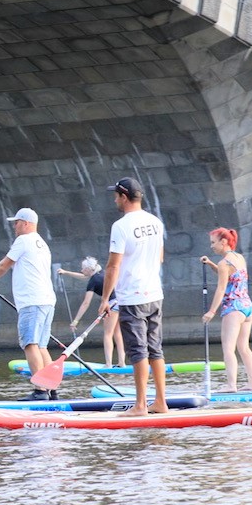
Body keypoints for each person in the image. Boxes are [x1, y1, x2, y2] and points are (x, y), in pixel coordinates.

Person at [98, 177, 168, 415]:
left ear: (124, 197)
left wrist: (105, 298)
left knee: (138, 351)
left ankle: (140, 405)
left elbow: (113, 266)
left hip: (132, 298)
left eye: (116, 196)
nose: (115, 200)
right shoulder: (155, 222)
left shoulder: (121, 226)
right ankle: (161, 402)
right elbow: (160, 257)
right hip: (155, 294)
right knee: (155, 349)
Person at [0, 208, 57, 400]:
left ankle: (40, 391)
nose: (14, 226)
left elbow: (4, 265)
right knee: (41, 346)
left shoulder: (24, 240)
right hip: (47, 301)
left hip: (32, 301)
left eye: (17, 222)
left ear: (26, 223)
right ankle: (52, 390)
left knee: (30, 344)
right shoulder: (42, 244)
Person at [201, 227, 252, 391]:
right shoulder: (239, 258)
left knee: (228, 349)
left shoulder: (224, 263)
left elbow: (221, 289)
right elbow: (226, 274)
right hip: (247, 307)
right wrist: (210, 263)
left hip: (233, 309)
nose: (211, 246)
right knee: (244, 348)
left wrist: (211, 312)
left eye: (213, 242)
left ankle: (231, 385)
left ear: (223, 242)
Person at [58, 257, 123, 367]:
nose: (81, 271)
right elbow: (83, 276)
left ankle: (108, 364)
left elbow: (86, 303)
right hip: (120, 303)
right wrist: (65, 272)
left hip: (111, 304)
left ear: (89, 269)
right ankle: (122, 363)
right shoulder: (100, 273)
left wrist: (75, 321)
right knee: (117, 333)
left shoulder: (93, 281)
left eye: (83, 268)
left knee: (107, 334)